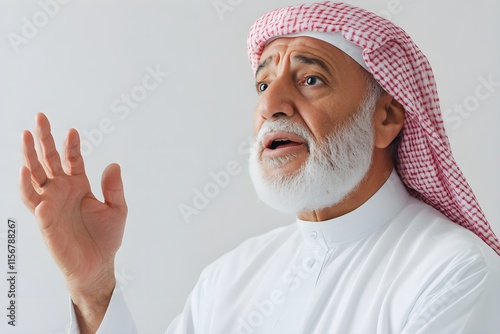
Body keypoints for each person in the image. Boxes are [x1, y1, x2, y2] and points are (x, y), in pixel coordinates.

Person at [20, 2, 500, 333]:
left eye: (310, 79)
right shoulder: (230, 277)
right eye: (262, 83)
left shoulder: (453, 272)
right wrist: (93, 290)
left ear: (386, 118)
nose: (272, 104)